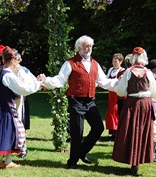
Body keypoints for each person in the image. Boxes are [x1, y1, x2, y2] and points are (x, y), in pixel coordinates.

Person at [38, 35, 118, 169]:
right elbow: (60, 80)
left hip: (90, 101)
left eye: (91, 46)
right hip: (75, 100)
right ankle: (72, 162)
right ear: (79, 47)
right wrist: (45, 80)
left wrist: (120, 83)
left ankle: (82, 152)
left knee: (98, 127)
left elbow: (104, 82)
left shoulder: (95, 64)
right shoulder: (70, 63)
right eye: (86, 46)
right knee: (77, 132)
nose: (89, 48)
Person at [0, 47, 44, 169]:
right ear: (12, 60)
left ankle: (8, 161)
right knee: (8, 131)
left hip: (5, 107)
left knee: (12, 131)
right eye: (16, 59)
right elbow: (23, 89)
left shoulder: (2, 72)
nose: (18, 62)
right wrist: (38, 83)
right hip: (5, 108)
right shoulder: (8, 75)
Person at [112, 47, 156, 176]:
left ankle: (132, 160)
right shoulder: (148, 72)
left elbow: (121, 91)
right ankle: (137, 161)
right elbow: (154, 92)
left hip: (132, 103)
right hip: (145, 104)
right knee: (142, 131)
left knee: (131, 130)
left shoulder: (128, 72)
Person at [104, 53, 125, 141]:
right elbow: (106, 79)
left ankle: (117, 132)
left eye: (116, 61)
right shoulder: (111, 70)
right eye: (113, 61)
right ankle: (112, 132)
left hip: (118, 94)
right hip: (111, 93)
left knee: (116, 111)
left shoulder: (123, 71)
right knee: (111, 111)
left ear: (120, 62)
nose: (114, 63)